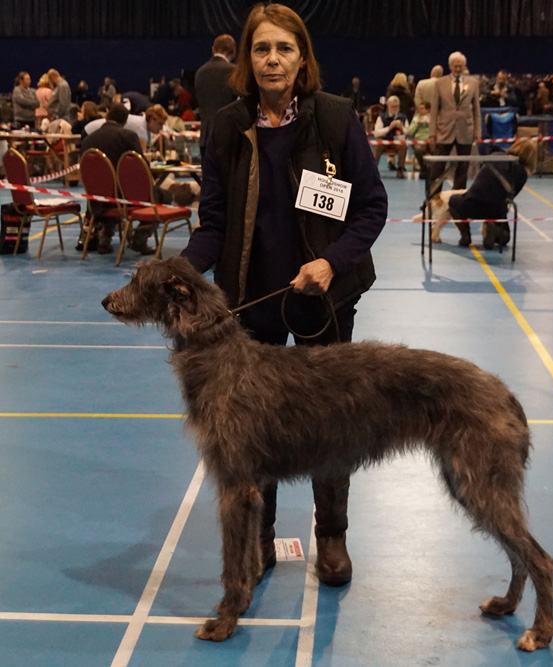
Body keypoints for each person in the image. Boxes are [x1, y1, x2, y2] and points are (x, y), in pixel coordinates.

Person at [180, 2, 387, 587]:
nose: (273, 60)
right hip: (250, 297)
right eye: (262, 49)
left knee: (332, 423)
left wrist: (330, 261)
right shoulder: (226, 125)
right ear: (247, 58)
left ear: (302, 58)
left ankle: (332, 536)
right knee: (253, 429)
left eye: (284, 49)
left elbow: (371, 207)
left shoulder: (335, 118)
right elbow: (213, 223)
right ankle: (261, 539)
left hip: (324, 294)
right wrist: (182, 272)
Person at [80, 103, 163, 255]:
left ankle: (105, 238)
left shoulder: (88, 140)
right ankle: (139, 240)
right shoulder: (128, 136)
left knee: (110, 189)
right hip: (123, 198)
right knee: (161, 194)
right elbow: (141, 167)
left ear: (106, 117)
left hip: (95, 199)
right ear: (125, 122)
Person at [448, 138, 536, 248]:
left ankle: (465, 235)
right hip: (496, 210)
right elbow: (511, 196)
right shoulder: (522, 174)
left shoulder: (496, 155)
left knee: (452, 200)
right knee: (505, 239)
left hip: (472, 203)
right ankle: (494, 229)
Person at [429, 51, 481, 195]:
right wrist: (432, 133)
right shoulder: (439, 83)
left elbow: (476, 110)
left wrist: (477, 132)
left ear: (464, 66)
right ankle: (432, 198)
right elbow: (434, 111)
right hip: (444, 131)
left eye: (460, 66)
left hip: (465, 131)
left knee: (462, 168)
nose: (458, 69)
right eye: (455, 66)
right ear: (450, 66)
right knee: (437, 167)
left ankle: (458, 199)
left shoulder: (473, 83)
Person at [194, 34, 237, 160]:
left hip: (206, 137)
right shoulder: (234, 72)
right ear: (233, 53)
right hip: (229, 138)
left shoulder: (200, 72)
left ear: (213, 49)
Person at [372, 95, 409, 177]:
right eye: (393, 106)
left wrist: (402, 128)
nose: (395, 108)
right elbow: (376, 133)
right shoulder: (381, 117)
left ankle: (400, 169)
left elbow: (408, 132)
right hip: (384, 141)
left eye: (397, 106)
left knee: (403, 146)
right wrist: (389, 128)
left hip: (397, 141)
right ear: (388, 106)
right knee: (377, 146)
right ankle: (373, 170)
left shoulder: (403, 117)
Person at [406, 101, 431, 179]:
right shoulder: (416, 118)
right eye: (419, 109)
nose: (420, 111)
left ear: (428, 110)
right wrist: (416, 124)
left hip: (432, 140)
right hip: (419, 140)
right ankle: (423, 169)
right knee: (419, 150)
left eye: (422, 109)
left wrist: (429, 123)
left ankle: (433, 170)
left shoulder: (434, 118)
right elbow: (409, 133)